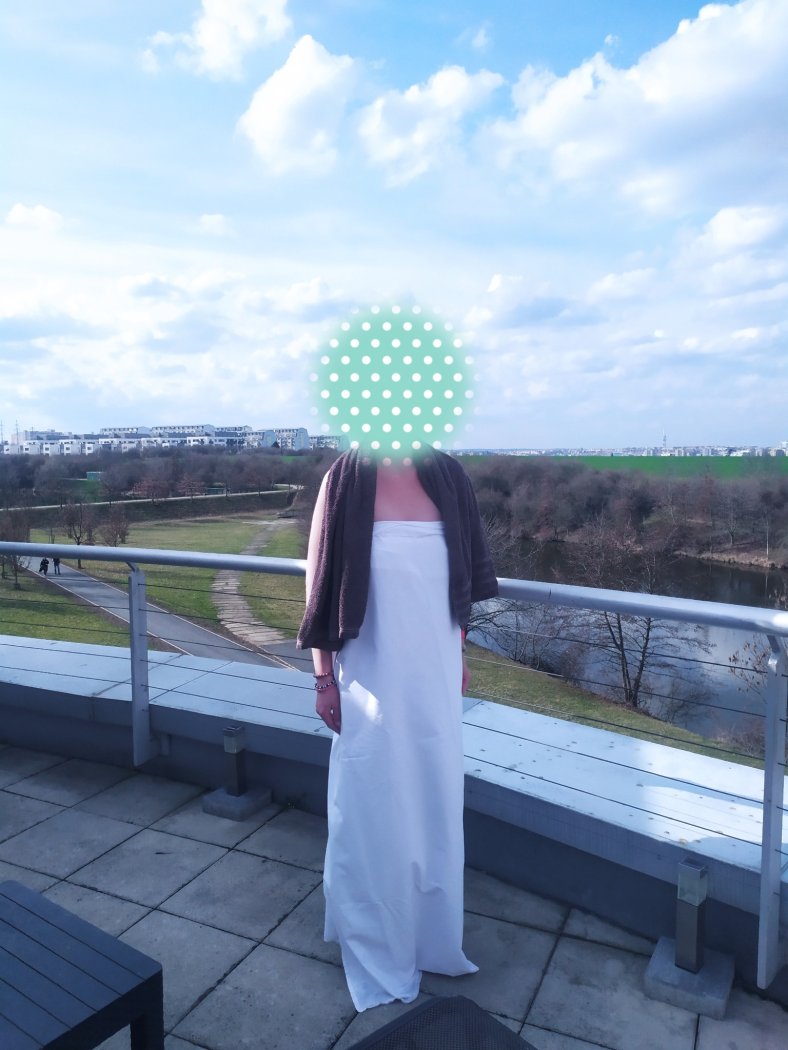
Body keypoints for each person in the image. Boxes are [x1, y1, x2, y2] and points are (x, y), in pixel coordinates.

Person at [297, 447, 498, 1011]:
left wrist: (458, 652)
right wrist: (322, 678)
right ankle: (376, 942)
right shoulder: (343, 480)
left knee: (434, 802)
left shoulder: (448, 476)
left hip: (434, 678)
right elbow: (319, 585)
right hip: (370, 682)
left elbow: (454, 584)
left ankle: (430, 938)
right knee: (373, 806)